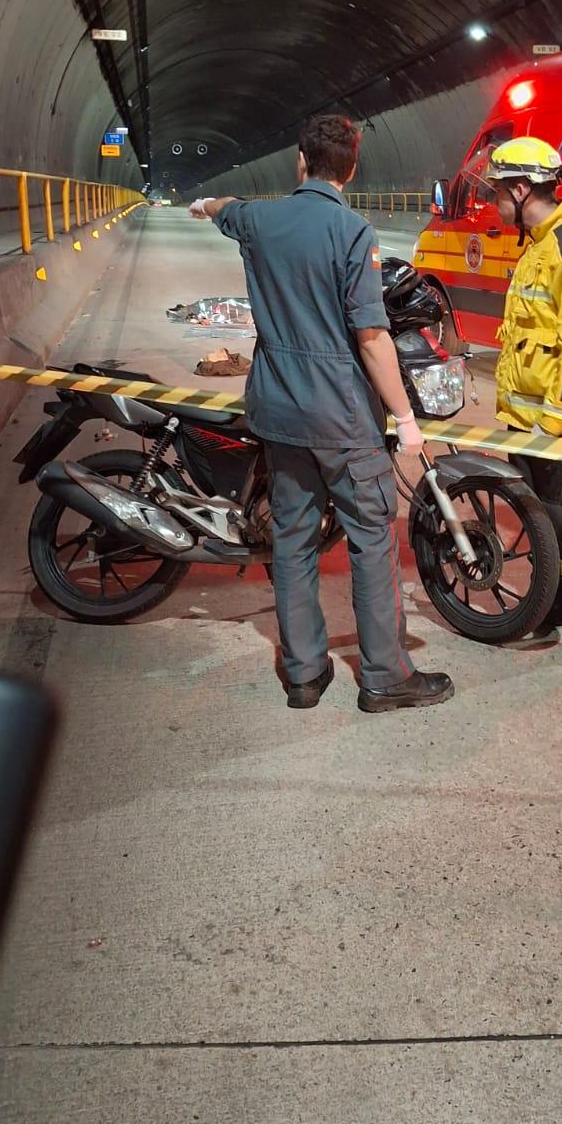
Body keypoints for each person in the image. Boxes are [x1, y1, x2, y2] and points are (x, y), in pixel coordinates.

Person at [188, 115, 454, 714]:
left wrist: (204, 204)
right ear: (352, 169)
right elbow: (372, 338)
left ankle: (304, 674)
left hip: (279, 414)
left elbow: (228, 206)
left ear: (300, 163)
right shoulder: (353, 233)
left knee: (294, 541)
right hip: (343, 419)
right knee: (369, 540)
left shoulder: (260, 219)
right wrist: (405, 418)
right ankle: (384, 676)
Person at [478, 135, 562, 662]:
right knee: (544, 525)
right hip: (530, 424)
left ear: (521, 188)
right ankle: (556, 606)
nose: (493, 202)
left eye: (497, 191)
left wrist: (554, 423)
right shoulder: (537, 245)